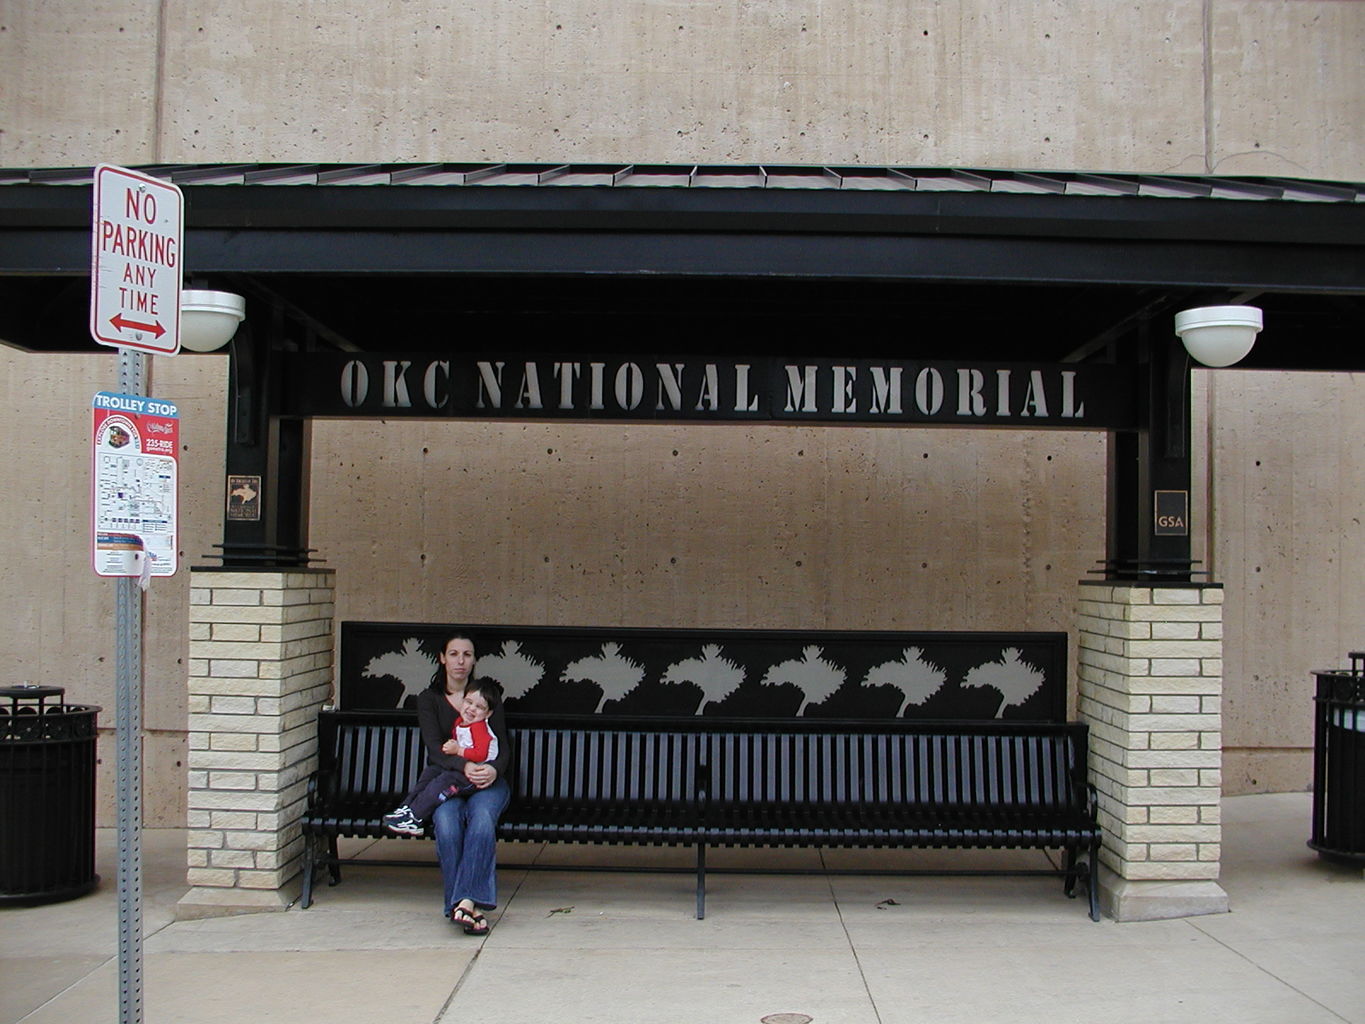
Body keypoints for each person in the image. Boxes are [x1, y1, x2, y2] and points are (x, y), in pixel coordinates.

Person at [407, 631, 511, 936]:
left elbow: (502, 746)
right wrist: (466, 764)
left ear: (474, 659)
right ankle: (465, 906)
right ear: (442, 658)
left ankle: (463, 902)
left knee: (481, 820)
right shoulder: (429, 700)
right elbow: (435, 751)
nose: (460, 661)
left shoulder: (486, 697)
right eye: (454, 654)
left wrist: (493, 770)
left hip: (486, 784)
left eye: (467, 655)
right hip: (446, 783)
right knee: (448, 823)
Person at [384, 677, 502, 834]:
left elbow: (481, 753)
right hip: (461, 771)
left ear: (488, 713)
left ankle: (417, 818)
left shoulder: (479, 728)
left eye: (479, 707)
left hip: (475, 777)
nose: (472, 709)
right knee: (431, 772)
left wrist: (458, 750)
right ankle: (406, 808)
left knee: (443, 781)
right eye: (468, 702)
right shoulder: (461, 722)